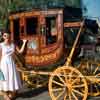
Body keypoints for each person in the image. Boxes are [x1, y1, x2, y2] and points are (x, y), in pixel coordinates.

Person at [0, 31, 27, 100]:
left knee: (11, 77)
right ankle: (5, 93)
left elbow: (20, 52)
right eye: (5, 36)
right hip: (4, 64)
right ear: (3, 37)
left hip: (11, 63)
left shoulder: (13, 44)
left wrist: (24, 42)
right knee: (5, 79)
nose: (7, 38)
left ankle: (11, 93)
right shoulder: (1, 45)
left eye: (8, 36)